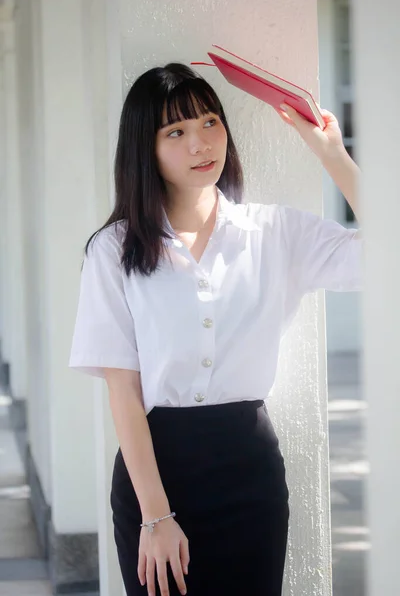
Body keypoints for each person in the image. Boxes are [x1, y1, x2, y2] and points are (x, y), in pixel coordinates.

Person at [69, 62, 363, 596]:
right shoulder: (113, 250)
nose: (200, 142)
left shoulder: (273, 232)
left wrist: (331, 155)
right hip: (156, 472)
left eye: (209, 122)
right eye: (175, 131)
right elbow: (124, 390)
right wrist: (156, 517)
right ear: (146, 148)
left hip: (248, 471)